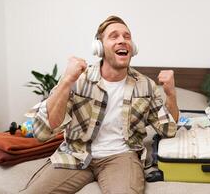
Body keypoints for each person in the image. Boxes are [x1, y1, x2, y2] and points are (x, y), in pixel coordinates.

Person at [20, 15, 179, 194]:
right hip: (76, 154)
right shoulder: (78, 79)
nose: (122, 40)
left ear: (133, 48)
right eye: (114, 36)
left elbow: (169, 130)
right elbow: (43, 132)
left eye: (127, 36)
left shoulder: (146, 86)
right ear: (99, 47)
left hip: (122, 157)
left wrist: (171, 94)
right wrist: (66, 81)